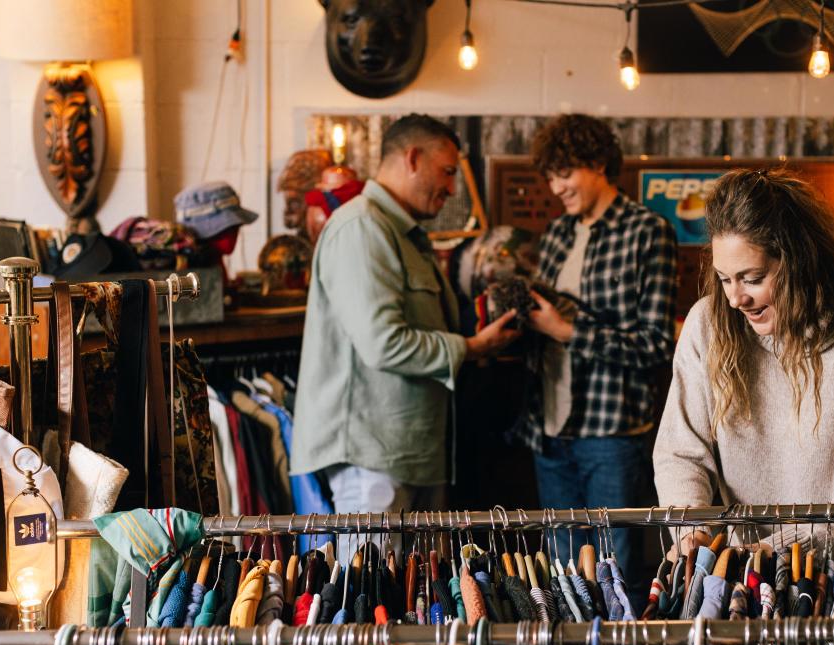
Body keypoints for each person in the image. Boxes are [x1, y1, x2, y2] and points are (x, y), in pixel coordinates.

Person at [653, 168, 834, 524]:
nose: (735, 299)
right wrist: (692, 531)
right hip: (742, 558)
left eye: (752, 279)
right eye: (724, 279)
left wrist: (782, 548)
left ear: (799, 262)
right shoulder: (707, 325)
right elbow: (681, 453)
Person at [291, 114, 519, 534]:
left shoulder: (401, 233)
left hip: (405, 454)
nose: (452, 188)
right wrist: (472, 348)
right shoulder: (363, 227)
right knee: (371, 576)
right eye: (447, 172)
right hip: (372, 460)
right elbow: (383, 342)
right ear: (412, 158)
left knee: (411, 578)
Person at [518, 114, 678, 601]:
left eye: (564, 173)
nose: (555, 187)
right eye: (550, 176)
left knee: (617, 572)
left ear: (598, 164)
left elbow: (656, 343)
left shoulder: (648, 231)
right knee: (563, 576)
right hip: (549, 429)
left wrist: (567, 331)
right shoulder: (557, 234)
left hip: (611, 434)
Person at [174, 180, 259, 270]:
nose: (235, 232)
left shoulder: (215, 264)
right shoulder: (188, 272)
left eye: (235, 225)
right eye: (227, 228)